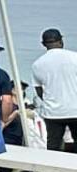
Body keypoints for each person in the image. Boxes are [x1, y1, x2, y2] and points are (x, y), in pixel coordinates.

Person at [32, 28, 77, 156]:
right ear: (61, 41)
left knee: (53, 147)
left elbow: (39, 91)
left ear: (43, 44)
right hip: (75, 110)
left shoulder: (37, 64)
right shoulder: (75, 57)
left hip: (53, 112)